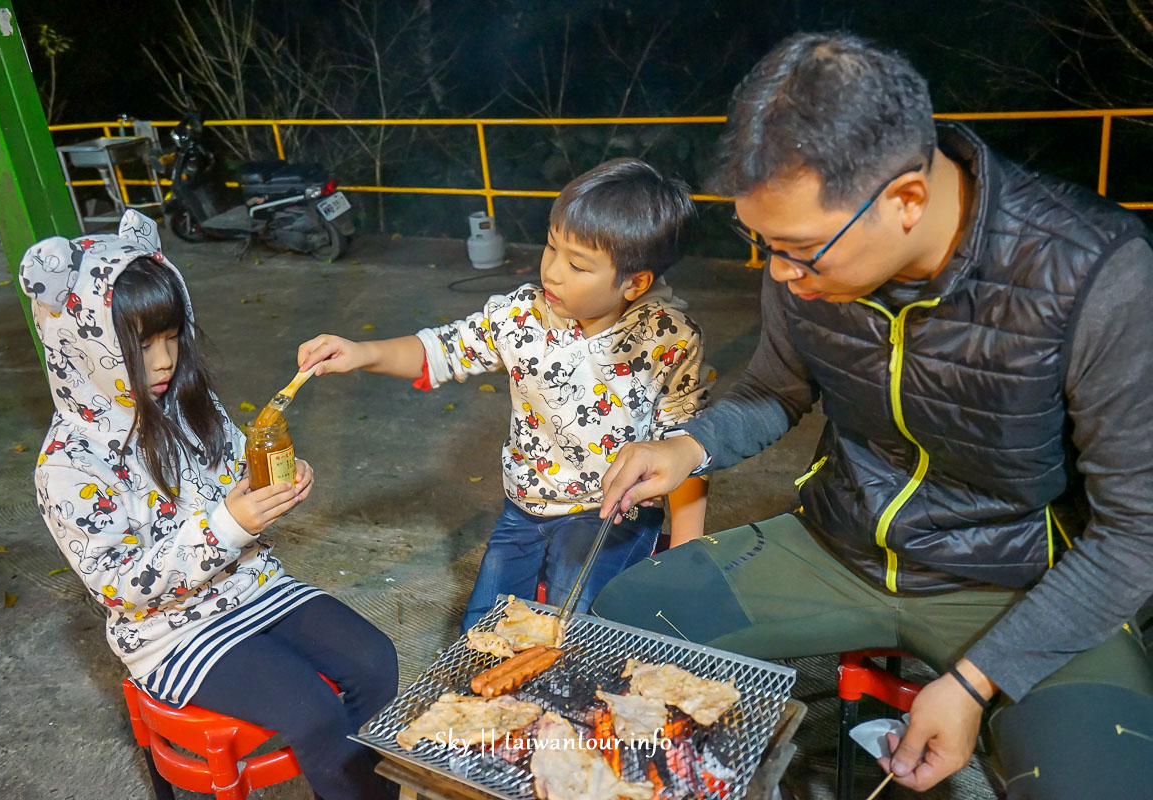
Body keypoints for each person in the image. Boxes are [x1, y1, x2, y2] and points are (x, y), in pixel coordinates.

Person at [592, 33, 1153, 800]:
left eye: (798, 251)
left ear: (906, 200)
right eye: (763, 245)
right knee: (626, 619)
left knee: (1103, 785)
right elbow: (776, 386)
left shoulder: (1099, 276)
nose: (782, 275)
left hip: (1017, 579)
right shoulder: (806, 263)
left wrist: (974, 683)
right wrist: (690, 446)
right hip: (838, 545)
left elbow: (1137, 533)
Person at [23, 211, 398, 800]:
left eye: (172, 337)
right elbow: (121, 585)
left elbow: (234, 481)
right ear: (81, 346)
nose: (164, 361)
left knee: (377, 660)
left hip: (252, 585)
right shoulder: (69, 467)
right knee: (315, 712)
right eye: (140, 346)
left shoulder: (188, 403)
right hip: (169, 632)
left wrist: (270, 487)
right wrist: (229, 524)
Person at [298, 158, 713, 632]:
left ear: (634, 282)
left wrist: (686, 551)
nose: (552, 273)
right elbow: (440, 350)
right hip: (525, 505)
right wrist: (361, 351)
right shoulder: (522, 316)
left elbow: (686, 446)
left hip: (611, 514)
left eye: (578, 265)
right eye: (551, 247)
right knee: (484, 632)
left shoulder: (668, 338)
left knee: (572, 628)